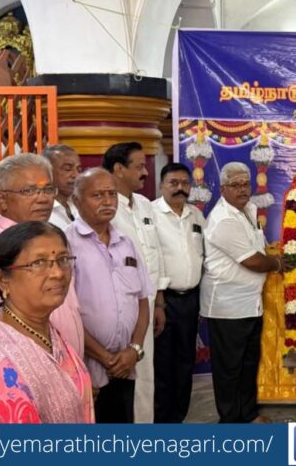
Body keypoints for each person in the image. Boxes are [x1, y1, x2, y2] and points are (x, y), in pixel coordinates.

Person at [0, 221, 93, 423]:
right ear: (2, 279)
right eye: (38, 263)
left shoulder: (40, 328)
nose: (58, 273)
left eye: (63, 259)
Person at [201, 162, 292, 423]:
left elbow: (258, 247)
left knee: (248, 363)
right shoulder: (223, 219)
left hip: (250, 302)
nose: (242, 190)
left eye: (245, 184)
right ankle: (230, 423)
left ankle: (248, 414)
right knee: (229, 369)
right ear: (223, 189)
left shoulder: (248, 209)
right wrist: (277, 264)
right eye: (235, 185)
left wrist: (273, 253)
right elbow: (251, 261)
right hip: (227, 306)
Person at [0, 153, 84, 358]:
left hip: (69, 373)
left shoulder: (48, 240)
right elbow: (8, 334)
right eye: (29, 190)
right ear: (2, 200)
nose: (42, 198)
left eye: (47, 189)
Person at [67, 168, 153, 423]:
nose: (107, 201)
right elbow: (65, 312)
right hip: (87, 366)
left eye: (112, 194)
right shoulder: (65, 243)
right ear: (77, 200)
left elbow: (142, 299)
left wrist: (134, 350)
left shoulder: (126, 242)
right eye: (97, 195)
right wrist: (106, 358)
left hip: (126, 365)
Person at [103, 142, 165, 423]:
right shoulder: (103, 207)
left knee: (147, 371)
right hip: (118, 306)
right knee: (120, 373)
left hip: (148, 302)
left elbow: (155, 252)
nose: (145, 172)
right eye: (139, 166)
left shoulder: (143, 204)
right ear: (118, 169)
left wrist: (159, 301)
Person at [152, 163, 206, 423]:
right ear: (162, 185)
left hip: (191, 300)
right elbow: (150, 259)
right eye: (173, 183)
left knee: (185, 362)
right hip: (162, 301)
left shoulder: (196, 215)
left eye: (185, 183)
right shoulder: (149, 214)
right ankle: (162, 424)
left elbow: (204, 256)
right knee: (162, 364)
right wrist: (158, 302)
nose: (180, 188)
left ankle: (179, 418)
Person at [43, 144, 82, 228]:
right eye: (68, 169)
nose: (76, 174)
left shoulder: (81, 204)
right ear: (48, 172)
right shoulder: (41, 210)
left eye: (79, 169)